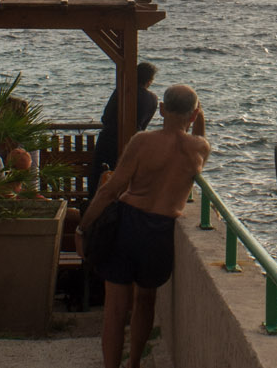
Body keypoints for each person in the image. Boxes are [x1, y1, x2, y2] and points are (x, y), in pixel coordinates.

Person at [80, 84, 209, 368]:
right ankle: (135, 362)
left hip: (128, 222)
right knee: (146, 300)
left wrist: (83, 227)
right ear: (193, 115)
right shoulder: (199, 148)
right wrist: (198, 118)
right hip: (160, 230)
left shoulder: (142, 141)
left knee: (115, 310)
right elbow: (198, 138)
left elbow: (110, 190)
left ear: (161, 110)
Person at [89, 61, 159, 194]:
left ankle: (94, 206)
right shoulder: (152, 99)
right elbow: (143, 126)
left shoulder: (121, 91)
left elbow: (106, 117)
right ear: (149, 80)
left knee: (98, 178)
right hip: (133, 145)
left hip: (108, 141)